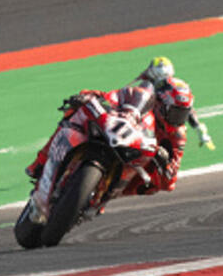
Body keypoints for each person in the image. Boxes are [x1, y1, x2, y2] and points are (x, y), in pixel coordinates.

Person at [24, 67, 196, 209]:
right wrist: (88, 96)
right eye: (174, 112)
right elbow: (110, 97)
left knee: (153, 185)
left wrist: (166, 164)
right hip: (114, 132)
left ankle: (103, 194)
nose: (177, 119)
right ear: (159, 103)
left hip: (136, 156)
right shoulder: (139, 96)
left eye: (182, 114)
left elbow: (170, 181)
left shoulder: (177, 135)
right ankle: (40, 162)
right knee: (73, 112)